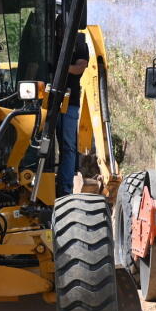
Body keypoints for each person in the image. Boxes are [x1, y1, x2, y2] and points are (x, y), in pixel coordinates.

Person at [56, 31, 89, 197]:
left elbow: (79, 68)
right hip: (46, 100)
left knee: (68, 146)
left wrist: (58, 67)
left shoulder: (80, 43)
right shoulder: (48, 41)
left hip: (70, 102)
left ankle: (65, 189)